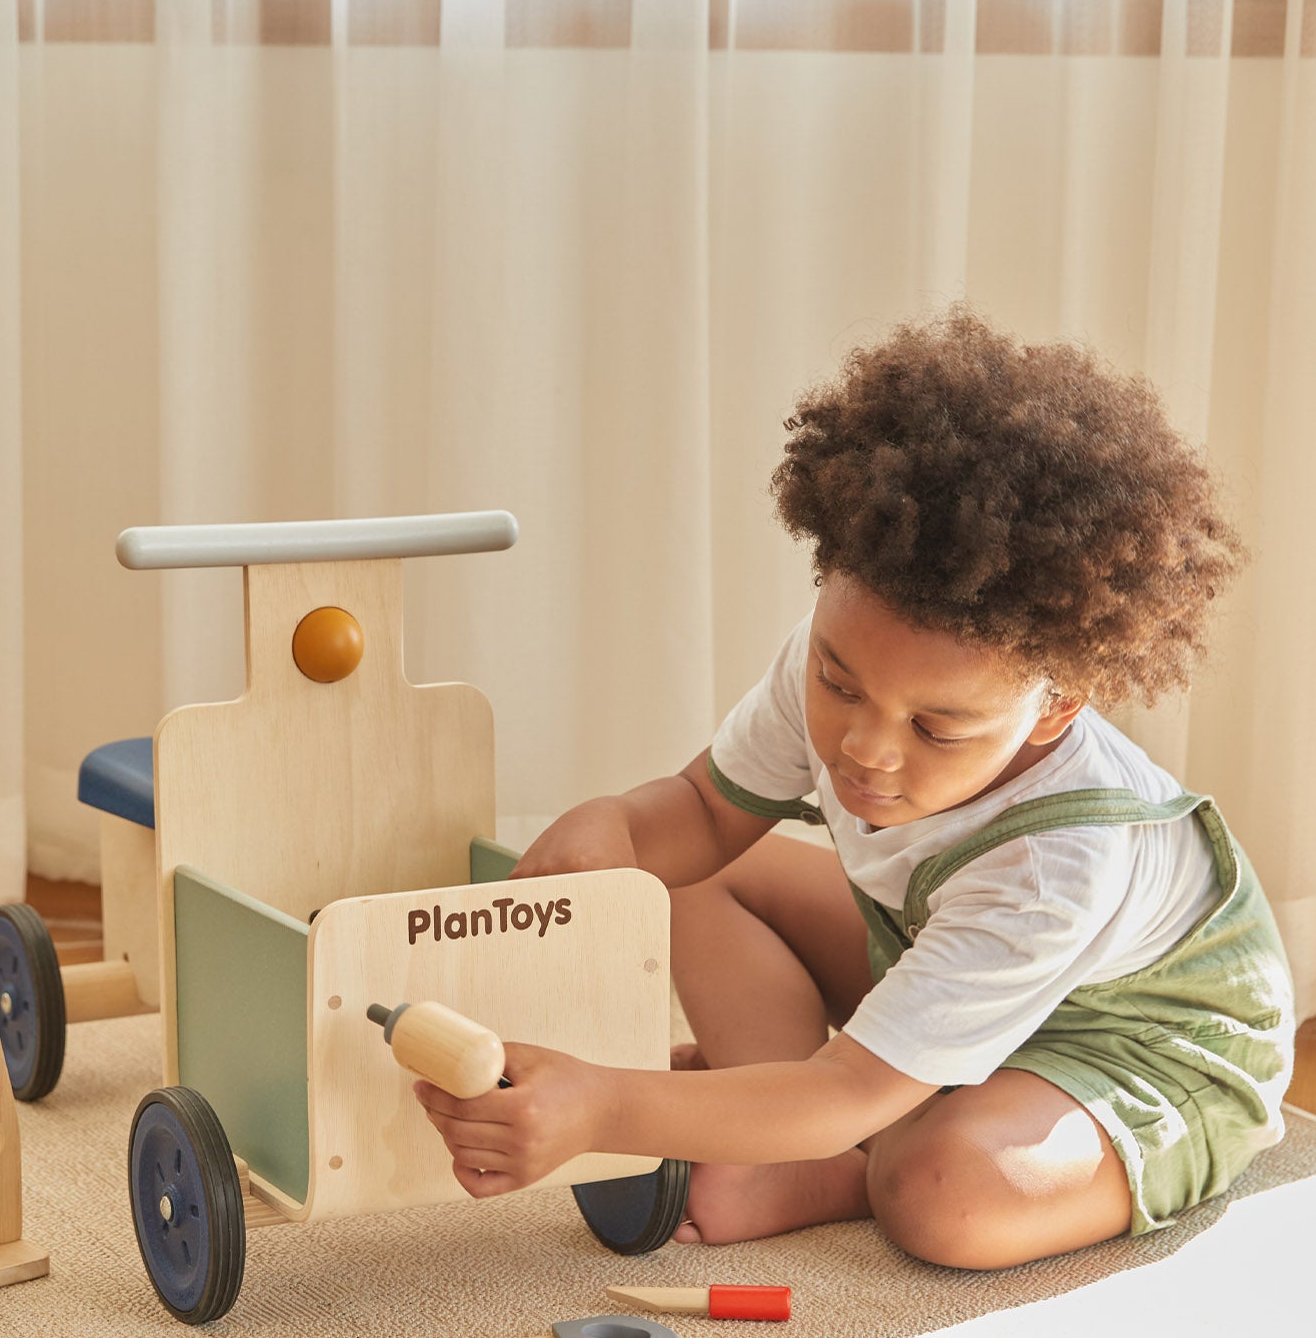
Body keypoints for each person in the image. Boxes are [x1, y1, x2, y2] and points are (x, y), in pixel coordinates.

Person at [415, 305, 1297, 1270]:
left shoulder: (1056, 867)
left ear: (1056, 708)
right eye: (838, 684)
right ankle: (782, 1126)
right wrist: (616, 828)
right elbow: (704, 812)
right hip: (939, 954)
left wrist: (609, 1107)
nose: (864, 748)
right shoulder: (846, 664)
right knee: (685, 880)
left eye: (936, 729)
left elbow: (850, 1089)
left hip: (1133, 1045)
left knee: (942, 1195)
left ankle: (839, 1162)